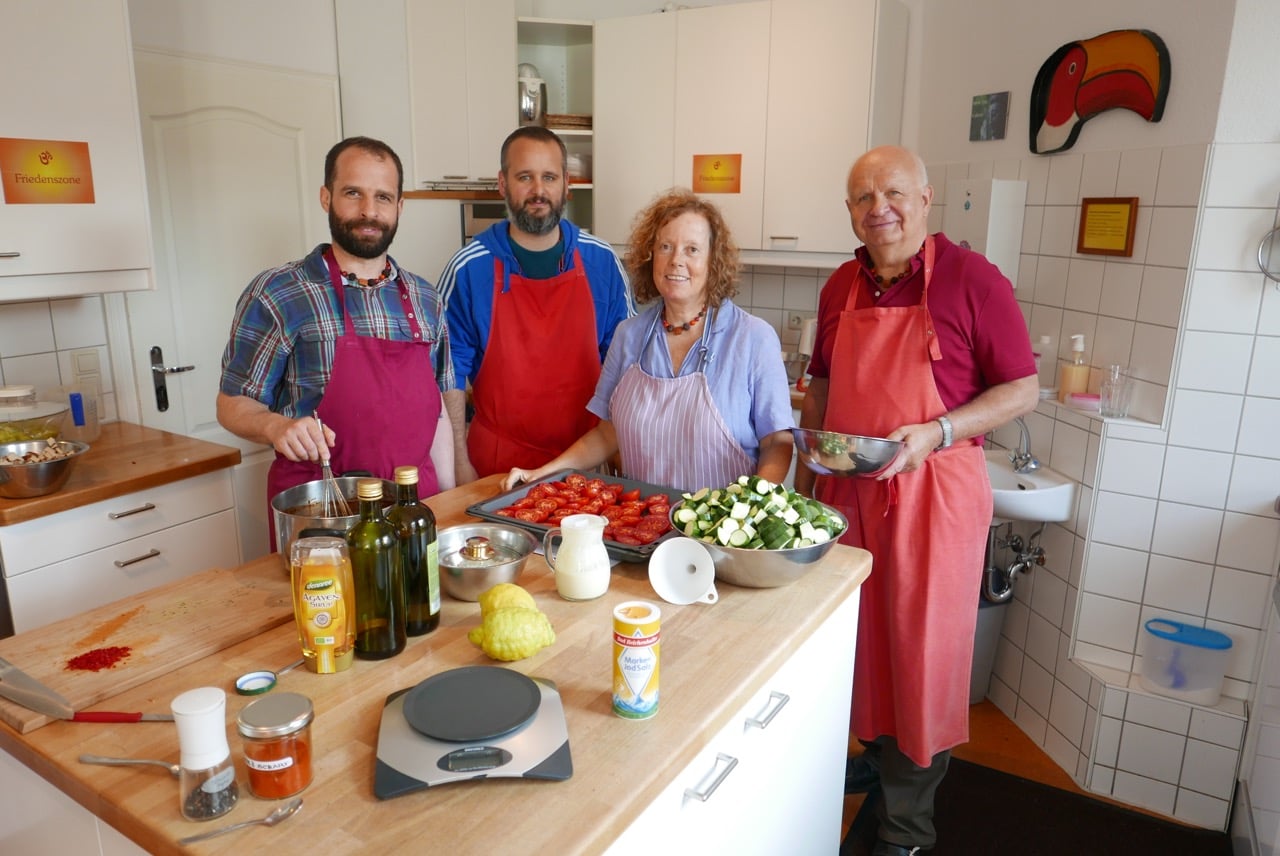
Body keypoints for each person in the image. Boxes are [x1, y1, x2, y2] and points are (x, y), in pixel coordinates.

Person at [795, 146, 1038, 856]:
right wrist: (805, 485)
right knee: (861, 642)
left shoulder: (972, 280)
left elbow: (1022, 389)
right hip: (850, 493)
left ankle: (906, 825)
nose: (880, 209)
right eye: (864, 198)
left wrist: (939, 429)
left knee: (921, 651)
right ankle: (880, 758)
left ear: (926, 198)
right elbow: (821, 386)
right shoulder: (840, 286)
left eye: (894, 193)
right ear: (849, 211)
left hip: (936, 495)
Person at [217, 136, 454, 548]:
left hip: (415, 509)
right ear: (326, 197)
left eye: (383, 197)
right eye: (353, 193)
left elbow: (437, 415)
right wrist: (276, 425)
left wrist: (450, 499)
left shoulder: (425, 298)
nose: (369, 211)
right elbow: (232, 404)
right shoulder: (279, 293)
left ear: (399, 207)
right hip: (323, 514)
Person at [502, 188, 794, 494]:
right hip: (640, 519)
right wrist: (541, 474)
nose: (676, 260)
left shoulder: (753, 338)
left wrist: (752, 505)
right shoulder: (629, 335)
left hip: (721, 521)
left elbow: (777, 441)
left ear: (714, 261)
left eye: (692, 249)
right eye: (666, 246)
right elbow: (607, 434)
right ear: (650, 255)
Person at [438, 126, 633, 485]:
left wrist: (620, 450)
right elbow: (447, 375)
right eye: (525, 177)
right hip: (494, 470)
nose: (538, 191)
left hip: (584, 467)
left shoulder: (602, 261)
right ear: (503, 183)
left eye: (549, 177)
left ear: (566, 184)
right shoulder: (468, 268)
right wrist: (459, 463)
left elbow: (626, 366)